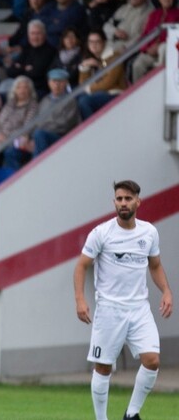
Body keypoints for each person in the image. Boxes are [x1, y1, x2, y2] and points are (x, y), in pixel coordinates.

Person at [73, 180, 173, 420]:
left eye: (128, 199)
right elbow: (81, 266)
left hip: (139, 309)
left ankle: (131, 413)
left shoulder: (149, 232)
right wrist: (80, 299)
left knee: (152, 360)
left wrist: (166, 291)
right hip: (109, 310)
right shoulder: (101, 233)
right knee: (103, 367)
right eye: (119, 199)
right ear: (114, 202)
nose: (123, 203)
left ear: (138, 201)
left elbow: (155, 265)